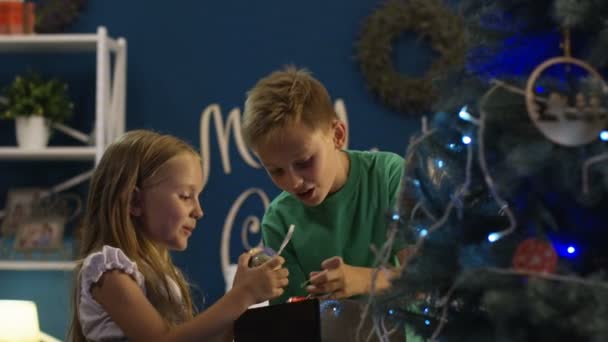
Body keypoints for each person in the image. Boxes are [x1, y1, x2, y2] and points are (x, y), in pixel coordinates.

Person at [68, 130, 289, 342]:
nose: (199, 211)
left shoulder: (165, 278)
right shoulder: (108, 272)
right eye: (185, 196)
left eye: (198, 197)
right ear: (135, 201)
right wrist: (243, 294)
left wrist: (242, 300)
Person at [242, 66, 406, 304]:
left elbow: (428, 281)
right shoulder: (278, 220)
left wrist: (363, 280)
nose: (294, 182)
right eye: (276, 171)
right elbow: (294, 319)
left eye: (305, 162)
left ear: (338, 135)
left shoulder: (389, 175)